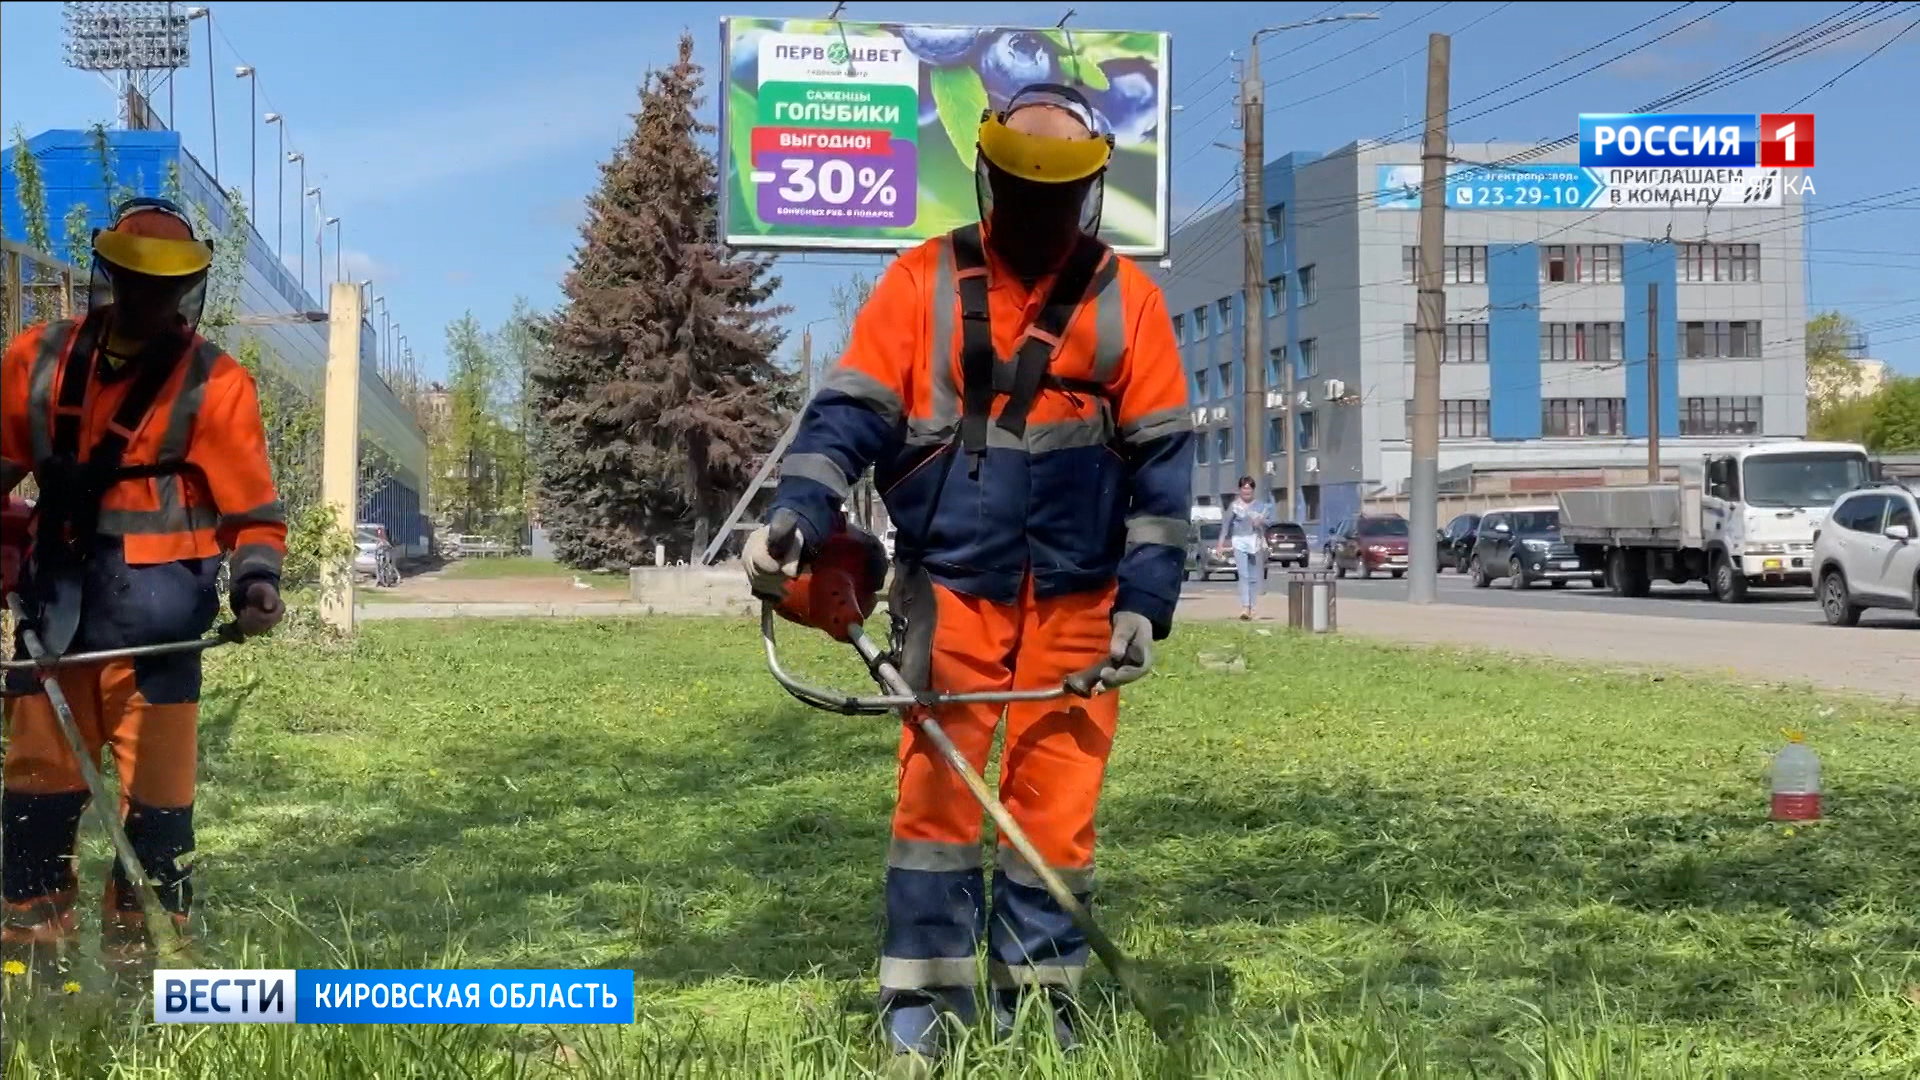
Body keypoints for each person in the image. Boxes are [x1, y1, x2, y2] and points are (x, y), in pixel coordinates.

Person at [743, 84, 1193, 1064]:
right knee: (939, 816)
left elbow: (1164, 473)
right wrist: (796, 515)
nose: (1040, 218)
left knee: (1056, 822)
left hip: (1081, 609)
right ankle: (927, 1027)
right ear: (990, 177)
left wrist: (1145, 609)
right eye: (1027, 196)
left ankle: (1041, 1022)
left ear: (1087, 191)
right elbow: (846, 419)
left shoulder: (1129, 303)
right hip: (947, 595)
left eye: (1056, 198)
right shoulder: (921, 285)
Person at [0, 198, 287, 972]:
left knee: (159, 822)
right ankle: (36, 976)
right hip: (51, 631)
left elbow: (253, 511)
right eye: (133, 283)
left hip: (160, 644)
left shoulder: (216, 383)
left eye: (164, 288)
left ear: (187, 289)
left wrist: (257, 582)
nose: (147, 301)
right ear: (109, 276)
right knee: (34, 809)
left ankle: (147, 982)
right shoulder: (37, 360)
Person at [1215, 476, 1274, 620]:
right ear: (1240, 490)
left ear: (1253, 490)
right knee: (1244, 575)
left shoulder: (1260, 506)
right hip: (1239, 541)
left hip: (1255, 542)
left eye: (1249, 488)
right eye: (1244, 488)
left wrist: (1260, 522)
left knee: (1254, 577)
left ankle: (1253, 608)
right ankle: (1245, 607)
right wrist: (1220, 544)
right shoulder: (1234, 506)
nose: (1246, 491)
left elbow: (1269, 522)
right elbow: (1226, 526)